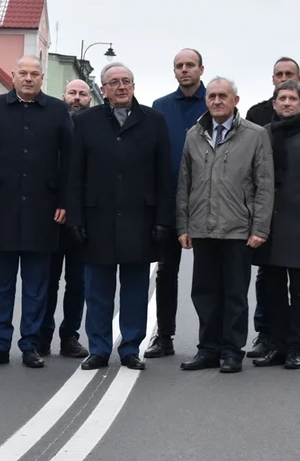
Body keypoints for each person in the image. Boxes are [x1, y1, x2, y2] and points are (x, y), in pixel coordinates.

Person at [0, 55, 73, 368]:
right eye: (23, 73)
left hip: (44, 209)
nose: (28, 78)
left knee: (37, 284)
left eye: (34, 74)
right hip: (1, 208)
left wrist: (64, 202)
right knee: (0, 283)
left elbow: (69, 160)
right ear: (13, 75)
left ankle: (30, 344)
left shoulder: (57, 109)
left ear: (42, 78)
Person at [67, 64, 172, 370]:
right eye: (114, 82)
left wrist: (162, 219)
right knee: (97, 291)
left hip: (141, 218)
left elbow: (163, 175)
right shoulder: (87, 121)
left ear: (134, 86)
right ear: (104, 89)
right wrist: (75, 218)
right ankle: (98, 349)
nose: (121, 86)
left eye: (126, 81)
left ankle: (130, 348)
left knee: (135, 290)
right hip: (96, 218)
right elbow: (75, 175)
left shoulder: (154, 120)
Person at [177, 77, 274, 374]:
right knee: (204, 292)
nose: (217, 101)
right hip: (202, 228)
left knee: (234, 294)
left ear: (235, 100)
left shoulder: (255, 135)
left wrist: (260, 227)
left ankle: (232, 351)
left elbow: (265, 184)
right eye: (212, 96)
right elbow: (185, 182)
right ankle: (207, 349)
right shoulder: (194, 134)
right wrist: (183, 225)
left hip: (237, 229)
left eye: (223, 96)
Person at [244, 57, 300, 361]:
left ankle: (296, 347)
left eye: (293, 98)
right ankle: (277, 347)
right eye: (282, 98)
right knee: (274, 290)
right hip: (270, 223)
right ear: (275, 101)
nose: (287, 102)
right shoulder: (263, 132)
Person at [146, 48, 208, 359]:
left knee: (210, 275)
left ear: (201, 68)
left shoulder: (216, 103)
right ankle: (164, 336)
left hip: (209, 204)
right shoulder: (160, 108)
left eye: (190, 65)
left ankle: (211, 340)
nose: (185, 70)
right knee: (166, 272)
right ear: (174, 72)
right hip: (169, 202)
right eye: (179, 66)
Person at [41, 78, 93, 359]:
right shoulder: (51, 125)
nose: (77, 98)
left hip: (83, 220)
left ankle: (70, 336)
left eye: (82, 94)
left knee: (78, 282)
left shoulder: (95, 126)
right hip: (51, 216)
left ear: (90, 99)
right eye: (72, 93)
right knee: (46, 281)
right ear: (63, 96)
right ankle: (42, 336)